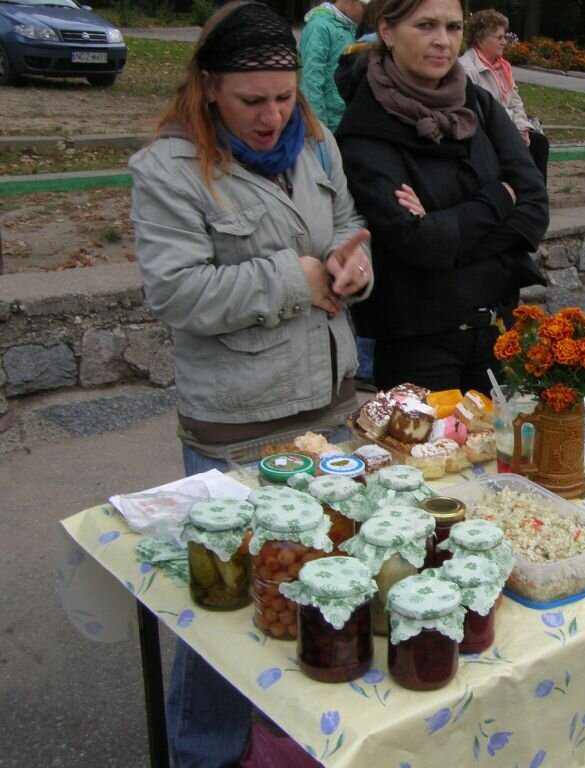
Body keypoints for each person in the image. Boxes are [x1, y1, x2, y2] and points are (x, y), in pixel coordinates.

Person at [129, 2, 372, 764]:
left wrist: (354, 264)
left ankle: (294, 740)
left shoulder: (318, 143)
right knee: (229, 608)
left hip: (329, 413)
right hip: (239, 428)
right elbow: (177, 293)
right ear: (208, 87)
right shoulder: (168, 170)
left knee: (315, 583)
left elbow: (346, 223)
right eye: (251, 100)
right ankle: (203, 752)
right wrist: (297, 279)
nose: (272, 117)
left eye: (284, 97)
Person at [335, 0, 549, 394]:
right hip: (418, 348)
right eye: (426, 26)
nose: (443, 41)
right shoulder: (366, 129)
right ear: (387, 31)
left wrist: (443, 231)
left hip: (496, 335)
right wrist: (500, 199)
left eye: (453, 27)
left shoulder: (477, 103)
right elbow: (415, 242)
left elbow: (534, 208)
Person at [460, 8, 550, 180]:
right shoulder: (468, 69)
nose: (504, 42)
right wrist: (511, 132)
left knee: (538, 143)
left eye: (504, 37)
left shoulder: (502, 67)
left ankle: (534, 193)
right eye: (499, 37)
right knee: (533, 147)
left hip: (507, 128)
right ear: (481, 38)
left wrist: (522, 128)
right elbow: (476, 115)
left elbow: (515, 101)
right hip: (488, 135)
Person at [299, 0, 372, 133]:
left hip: (346, 122)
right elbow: (311, 81)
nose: (367, 13)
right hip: (329, 126)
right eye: (363, 7)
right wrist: (318, 128)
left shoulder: (351, 29)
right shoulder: (319, 27)